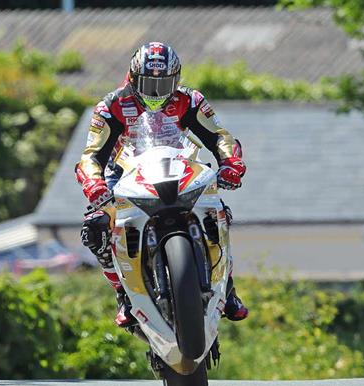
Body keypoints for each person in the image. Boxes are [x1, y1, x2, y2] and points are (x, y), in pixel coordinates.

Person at [76, 42, 249, 327]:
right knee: (96, 227)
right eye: (148, 83)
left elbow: (219, 136)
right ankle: (124, 295)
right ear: (132, 78)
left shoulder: (189, 100)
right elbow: (92, 154)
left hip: (180, 165)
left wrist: (231, 163)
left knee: (218, 210)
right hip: (124, 172)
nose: (156, 93)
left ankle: (228, 289)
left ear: (177, 80)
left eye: (164, 83)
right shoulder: (111, 106)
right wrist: (94, 184)